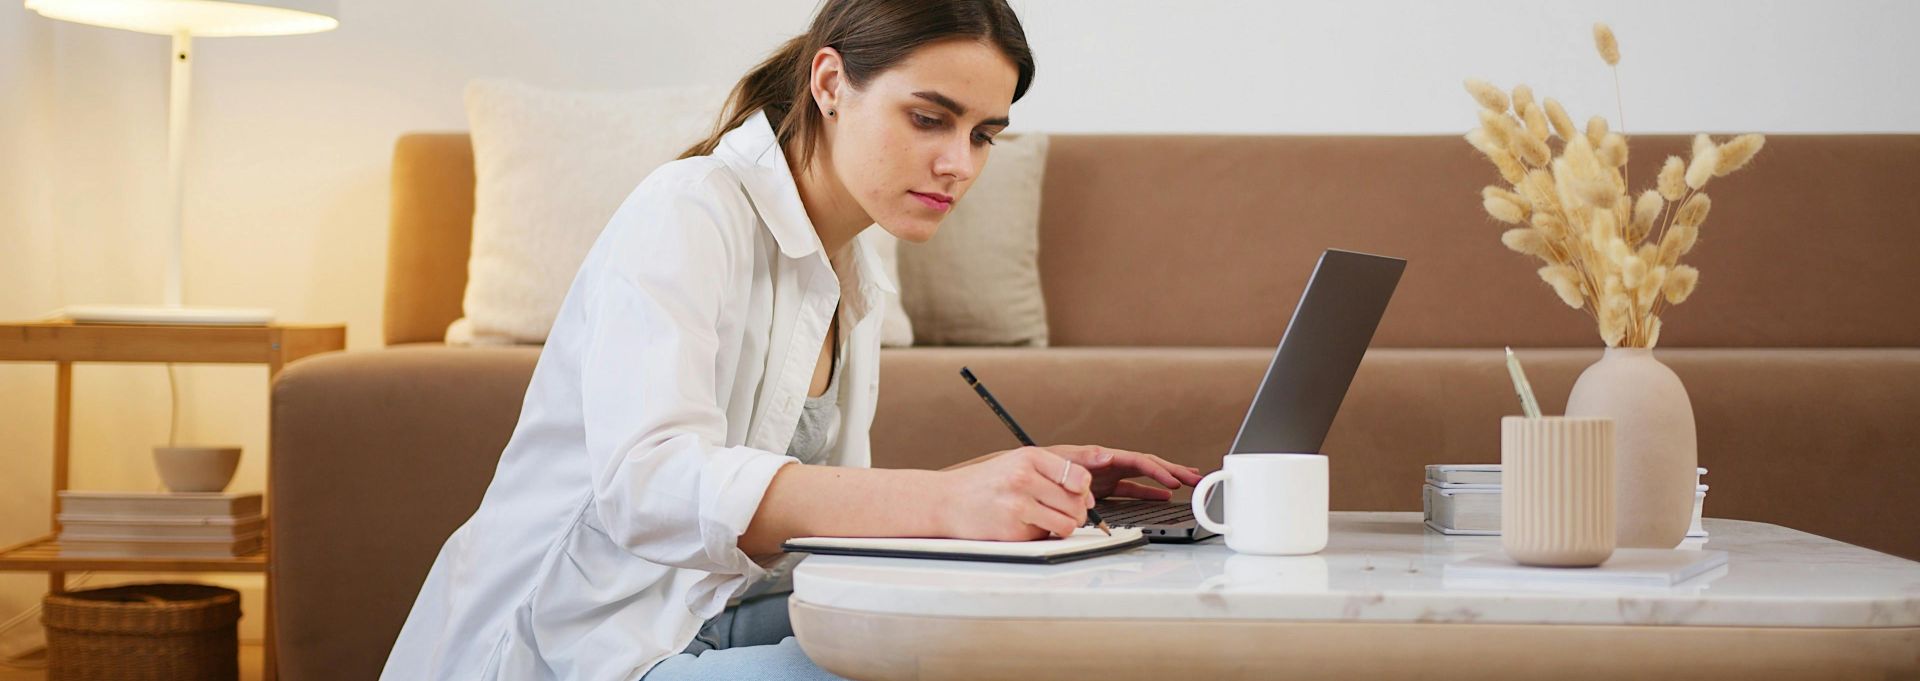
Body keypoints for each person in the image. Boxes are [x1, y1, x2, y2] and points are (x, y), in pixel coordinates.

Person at [381, 1, 1203, 678]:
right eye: (929, 118)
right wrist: (944, 501)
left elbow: (821, 510)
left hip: (716, 610)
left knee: (1006, 637)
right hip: (593, 637)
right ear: (831, 82)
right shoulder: (689, 208)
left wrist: (1006, 486)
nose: (960, 163)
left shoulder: (856, 264)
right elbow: (649, 484)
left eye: (984, 133)